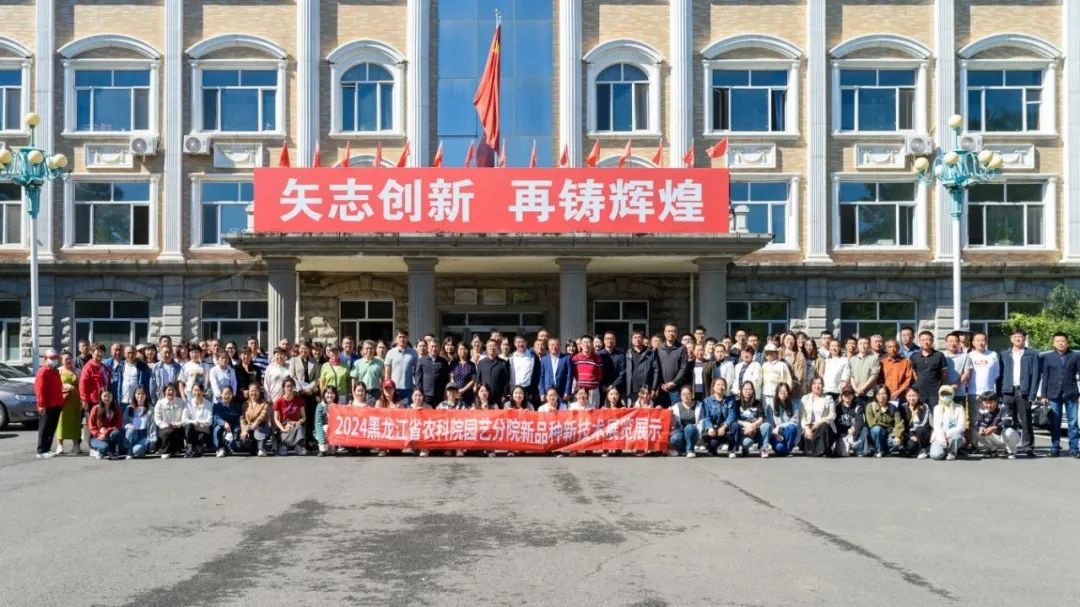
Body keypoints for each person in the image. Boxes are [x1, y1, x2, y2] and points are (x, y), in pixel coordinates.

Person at [1038, 332, 1080, 457]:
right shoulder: (1049, 357)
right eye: (1058, 341)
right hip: (1053, 394)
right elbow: (1045, 377)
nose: (1061, 343)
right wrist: (1043, 395)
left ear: (1067, 342)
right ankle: (1054, 448)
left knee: (1073, 423)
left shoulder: (1075, 356)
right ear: (1054, 343)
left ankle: (1074, 449)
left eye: (1063, 341)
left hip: (1071, 393)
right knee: (1055, 423)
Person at [1000, 328, 1040, 457]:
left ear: (1024, 339)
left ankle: (1028, 447)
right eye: (1016, 336)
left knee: (1026, 420)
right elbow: (1000, 375)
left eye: (1021, 337)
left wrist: (1032, 394)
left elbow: (1036, 376)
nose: (1018, 339)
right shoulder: (1004, 354)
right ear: (1011, 338)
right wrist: (1000, 392)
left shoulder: (1032, 354)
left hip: (1024, 391)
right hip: (1008, 391)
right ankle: (1009, 446)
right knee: (1007, 420)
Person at [33, 349, 65, 459]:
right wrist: (41, 404)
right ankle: (41, 450)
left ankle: (47, 448)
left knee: (51, 428)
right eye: (51, 358)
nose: (54, 360)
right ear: (45, 359)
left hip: (56, 404)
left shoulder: (55, 372)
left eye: (56, 358)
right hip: (47, 405)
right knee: (45, 428)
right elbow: (39, 390)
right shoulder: (42, 371)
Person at [730, 381, 771, 458]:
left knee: (767, 425)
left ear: (753, 391)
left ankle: (763, 449)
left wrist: (753, 425)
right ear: (741, 390)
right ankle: (745, 448)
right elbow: (734, 418)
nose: (747, 391)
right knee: (748, 443)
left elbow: (761, 417)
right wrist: (746, 425)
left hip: (755, 430)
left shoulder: (757, 403)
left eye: (750, 389)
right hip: (743, 431)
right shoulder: (736, 403)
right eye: (745, 389)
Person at [974, 390, 1019, 459]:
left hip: (1008, 436)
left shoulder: (1004, 407)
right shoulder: (981, 410)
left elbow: (1007, 422)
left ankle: (1011, 451)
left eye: (991, 403)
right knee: (977, 432)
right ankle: (992, 450)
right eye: (986, 403)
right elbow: (979, 423)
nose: (988, 405)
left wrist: (994, 428)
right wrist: (981, 428)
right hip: (994, 437)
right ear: (983, 402)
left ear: (996, 401)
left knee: (1008, 431)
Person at [799, 377, 836, 457]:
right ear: (811, 386)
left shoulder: (828, 398)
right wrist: (806, 429)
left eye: (820, 384)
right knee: (808, 439)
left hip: (824, 428)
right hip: (810, 427)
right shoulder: (805, 398)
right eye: (814, 384)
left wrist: (819, 422)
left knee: (824, 426)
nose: (817, 386)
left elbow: (832, 415)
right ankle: (822, 449)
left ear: (823, 386)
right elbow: (802, 416)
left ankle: (820, 450)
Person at [56, 351, 84, 455]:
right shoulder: (58, 371)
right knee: (61, 422)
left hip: (76, 401)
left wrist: (82, 399)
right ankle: (60, 445)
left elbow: (82, 385)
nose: (69, 361)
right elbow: (55, 386)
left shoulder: (78, 371)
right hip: (63, 402)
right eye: (66, 359)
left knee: (76, 423)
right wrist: (64, 386)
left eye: (70, 358)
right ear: (61, 361)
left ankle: (76, 445)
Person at [910, 331, 947, 407]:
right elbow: (914, 371)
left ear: (932, 341)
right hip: (919, 391)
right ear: (919, 341)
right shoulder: (914, 356)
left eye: (928, 340)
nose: (926, 342)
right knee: (920, 412)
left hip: (935, 391)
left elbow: (944, 373)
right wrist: (918, 382)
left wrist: (942, 387)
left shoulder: (939, 355)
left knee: (935, 412)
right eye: (923, 340)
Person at [930, 385, 967, 461]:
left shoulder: (959, 408)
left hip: (953, 436)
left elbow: (961, 426)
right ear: (939, 395)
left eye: (948, 394)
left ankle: (952, 452)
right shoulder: (936, 408)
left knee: (956, 436)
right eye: (943, 394)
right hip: (940, 436)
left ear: (952, 394)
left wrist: (947, 433)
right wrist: (942, 438)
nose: (945, 396)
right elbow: (937, 426)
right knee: (936, 455)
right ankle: (944, 450)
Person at [657, 323, 689, 406]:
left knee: (676, 412)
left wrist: (674, 382)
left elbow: (683, 368)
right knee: (662, 412)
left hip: (676, 388)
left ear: (677, 333)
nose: (671, 333)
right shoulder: (659, 348)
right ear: (664, 333)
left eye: (673, 331)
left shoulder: (682, 348)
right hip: (662, 388)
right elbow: (656, 368)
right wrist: (660, 383)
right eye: (668, 331)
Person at [273, 378, 307, 456]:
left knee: (300, 427)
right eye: (287, 386)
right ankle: (283, 446)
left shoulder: (299, 400)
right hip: (284, 425)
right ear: (283, 388)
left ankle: (298, 447)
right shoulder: (278, 401)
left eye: (291, 386)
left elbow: (304, 417)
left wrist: (297, 422)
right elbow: (276, 419)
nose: (290, 388)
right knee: (283, 452)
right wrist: (283, 428)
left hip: (295, 425)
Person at [79, 344, 111, 427]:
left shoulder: (103, 366)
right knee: (94, 423)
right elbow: (83, 384)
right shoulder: (88, 367)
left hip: (104, 399)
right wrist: (84, 400)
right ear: (92, 353)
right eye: (98, 352)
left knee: (103, 422)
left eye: (102, 352)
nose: (100, 354)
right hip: (93, 400)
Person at [87, 388, 123, 460]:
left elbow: (118, 425)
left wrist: (106, 431)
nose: (107, 398)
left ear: (112, 397)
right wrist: (99, 434)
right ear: (100, 397)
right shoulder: (95, 408)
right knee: (104, 447)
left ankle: (112, 451)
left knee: (116, 433)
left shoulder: (116, 409)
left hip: (108, 436)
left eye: (109, 396)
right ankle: (95, 450)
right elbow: (91, 426)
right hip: (96, 437)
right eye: (104, 396)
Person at [701, 379, 734, 456]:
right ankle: (712, 448)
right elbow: (706, 417)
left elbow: (732, 415)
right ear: (713, 387)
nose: (720, 387)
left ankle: (731, 449)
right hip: (714, 429)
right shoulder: (707, 401)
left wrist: (724, 426)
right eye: (718, 385)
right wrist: (710, 427)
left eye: (723, 385)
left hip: (726, 429)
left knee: (735, 425)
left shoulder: (730, 400)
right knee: (713, 444)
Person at [153, 383, 186, 458]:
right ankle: (164, 451)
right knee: (167, 432)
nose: (171, 392)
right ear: (164, 392)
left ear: (176, 391)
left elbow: (185, 418)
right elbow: (157, 419)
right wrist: (166, 425)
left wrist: (177, 424)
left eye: (173, 390)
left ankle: (176, 449)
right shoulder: (160, 403)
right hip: (164, 428)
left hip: (178, 427)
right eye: (169, 390)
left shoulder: (181, 402)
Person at [415, 338, 451, 406]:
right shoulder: (421, 360)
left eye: (436, 347)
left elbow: (446, 379)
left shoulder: (443, 361)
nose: (434, 349)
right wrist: (419, 392)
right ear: (428, 348)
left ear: (439, 348)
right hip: (426, 395)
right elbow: (418, 378)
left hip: (439, 394)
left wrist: (445, 392)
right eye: (432, 346)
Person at [668, 386, 702, 458]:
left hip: (694, 432)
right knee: (674, 439)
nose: (685, 396)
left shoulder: (699, 405)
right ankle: (684, 450)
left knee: (689, 428)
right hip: (680, 431)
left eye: (688, 394)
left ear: (692, 395)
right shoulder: (675, 407)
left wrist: (700, 431)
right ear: (680, 396)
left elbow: (702, 421)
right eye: (683, 394)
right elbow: (672, 424)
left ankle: (690, 450)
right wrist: (670, 414)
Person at [571, 335, 604, 408]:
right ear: (581, 345)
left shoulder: (597, 358)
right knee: (579, 411)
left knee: (593, 411)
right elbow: (573, 374)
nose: (586, 344)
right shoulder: (576, 358)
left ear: (592, 344)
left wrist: (592, 382)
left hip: (593, 390)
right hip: (580, 391)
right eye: (584, 342)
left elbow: (600, 375)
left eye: (589, 342)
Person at [182, 383, 214, 458]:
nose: (197, 392)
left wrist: (202, 423)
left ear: (202, 391)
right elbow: (184, 420)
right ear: (192, 392)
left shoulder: (208, 404)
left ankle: (198, 448)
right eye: (195, 390)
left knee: (201, 437)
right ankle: (190, 447)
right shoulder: (188, 403)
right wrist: (196, 422)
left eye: (199, 390)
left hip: (203, 429)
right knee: (189, 426)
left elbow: (209, 420)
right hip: (193, 429)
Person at [385, 330, 418, 402]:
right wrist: (387, 388)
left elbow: (416, 372)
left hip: (408, 388)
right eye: (400, 337)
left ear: (407, 338)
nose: (402, 339)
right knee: (394, 407)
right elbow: (387, 372)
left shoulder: (413, 353)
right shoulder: (390, 353)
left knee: (407, 408)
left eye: (404, 337)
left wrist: (416, 387)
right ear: (396, 339)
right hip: (394, 388)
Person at [900, 387, 933, 459]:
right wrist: (910, 435)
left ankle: (923, 449)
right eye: (909, 396)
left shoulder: (924, 406)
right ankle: (922, 450)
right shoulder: (902, 407)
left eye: (914, 395)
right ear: (906, 396)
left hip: (923, 433)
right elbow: (901, 424)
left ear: (918, 396)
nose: (912, 398)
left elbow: (924, 423)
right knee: (911, 446)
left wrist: (915, 434)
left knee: (919, 429)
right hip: (909, 434)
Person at [509, 335, 541, 406]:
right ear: (514, 343)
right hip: (515, 391)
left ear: (526, 343)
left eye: (523, 342)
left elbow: (538, 375)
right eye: (518, 342)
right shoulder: (510, 357)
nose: (520, 344)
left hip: (529, 391)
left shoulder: (533, 357)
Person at [239, 384, 270, 457]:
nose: (253, 393)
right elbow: (242, 419)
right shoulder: (244, 404)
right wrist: (244, 430)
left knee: (261, 427)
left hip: (260, 426)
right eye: (251, 391)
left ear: (259, 392)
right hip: (249, 428)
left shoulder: (264, 403)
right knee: (250, 449)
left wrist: (256, 422)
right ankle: (255, 447)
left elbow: (263, 415)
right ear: (248, 392)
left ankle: (261, 448)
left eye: (255, 391)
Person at [540, 337, 574, 403]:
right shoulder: (544, 359)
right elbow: (541, 377)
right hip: (548, 393)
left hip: (562, 393)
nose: (554, 347)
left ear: (560, 346)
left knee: (562, 409)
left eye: (556, 345)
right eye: (552, 345)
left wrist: (567, 391)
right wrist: (542, 393)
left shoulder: (566, 358)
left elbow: (569, 376)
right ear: (548, 346)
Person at [834, 386, 866, 457]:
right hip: (842, 434)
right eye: (845, 394)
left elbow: (860, 421)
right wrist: (846, 430)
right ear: (842, 396)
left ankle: (858, 450)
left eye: (850, 394)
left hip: (855, 434)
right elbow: (836, 424)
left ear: (853, 395)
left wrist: (854, 428)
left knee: (864, 429)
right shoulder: (837, 408)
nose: (847, 396)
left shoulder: (858, 407)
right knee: (844, 453)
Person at [123, 386, 154, 459]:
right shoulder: (129, 408)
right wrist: (129, 426)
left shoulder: (151, 408)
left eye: (143, 394)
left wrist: (152, 439)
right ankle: (130, 452)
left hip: (144, 435)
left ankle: (138, 451)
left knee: (137, 450)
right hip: (132, 435)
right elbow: (124, 423)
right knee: (131, 429)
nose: (140, 396)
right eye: (138, 394)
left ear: (146, 395)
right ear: (135, 395)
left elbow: (153, 426)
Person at [477, 339, 511, 404]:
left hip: (499, 398)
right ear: (486, 348)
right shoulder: (481, 363)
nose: (492, 348)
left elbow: (506, 382)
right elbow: (478, 381)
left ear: (498, 348)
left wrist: (506, 395)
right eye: (490, 346)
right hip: (484, 398)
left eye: (494, 346)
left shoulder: (503, 363)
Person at [849, 337, 881, 403]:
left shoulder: (874, 358)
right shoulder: (853, 359)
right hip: (855, 393)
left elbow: (874, 375)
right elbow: (851, 376)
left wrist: (862, 388)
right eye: (861, 344)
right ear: (857, 345)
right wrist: (855, 389)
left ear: (869, 345)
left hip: (869, 394)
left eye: (865, 343)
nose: (863, 346)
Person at [881, 339, 914, 403]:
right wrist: (885, 392)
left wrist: (899, 391)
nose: (892, 349)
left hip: (901, 396)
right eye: (890, 347)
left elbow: (908, 379)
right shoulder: (882, 363)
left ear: (899, 348)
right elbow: (880, 380)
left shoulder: (906, 362)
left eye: (895, 347)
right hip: (885, 396)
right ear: (886, 349)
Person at [759, 343, 792, 408]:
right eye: (767, 353)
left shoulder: (782, 365)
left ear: (776, 353)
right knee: (767, 411)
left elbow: (788, 380)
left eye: (771, 352)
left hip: (778, 395)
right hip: (765, 394)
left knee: (778, 411)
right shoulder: (764, 365)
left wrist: (786, 392)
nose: (769, 354)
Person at [211, 386, 240, 457]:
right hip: (221, 425)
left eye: (229, 394)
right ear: (221, 394)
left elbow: (237, 419)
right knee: (217, 430)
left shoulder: (236, 406)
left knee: (237, 430)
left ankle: (231, 447)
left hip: (232, 426)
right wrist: (224, 423)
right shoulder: (217, 406)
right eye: (225, 394)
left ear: (232, 395)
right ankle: (220, 448)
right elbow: (216, 418)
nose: (227, 396)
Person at [598, 332, 627, 400]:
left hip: (617, 388)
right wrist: (601, 385)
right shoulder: (598, 355)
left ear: (615, 341)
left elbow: (623, 373)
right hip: (601, 388)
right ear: (604, 341)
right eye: (607, 338)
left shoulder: (620, 355)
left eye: (612, 339)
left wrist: (613, 386)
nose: (610, 341)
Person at [780, 333, 808, 399]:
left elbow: (799, 375)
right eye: (788, 339)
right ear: (783, 341)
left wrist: (788, 387)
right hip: (779, 390)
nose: (790, 341)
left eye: (792, 339)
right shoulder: (778, 353)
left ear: (795, 341)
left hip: (794, 390)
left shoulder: (799, 355)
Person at [314, 386, 338, 457]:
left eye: (332, 393)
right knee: (326, 427)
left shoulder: (338, 406)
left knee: (332, 452)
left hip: (334, 433)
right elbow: (318, 423)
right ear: (324, 394)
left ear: (335, 395)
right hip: (323, 431)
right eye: (327, 393)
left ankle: (333, 447)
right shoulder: (320, 406)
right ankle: (322, 448)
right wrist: (321, 440)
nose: (330, 395)